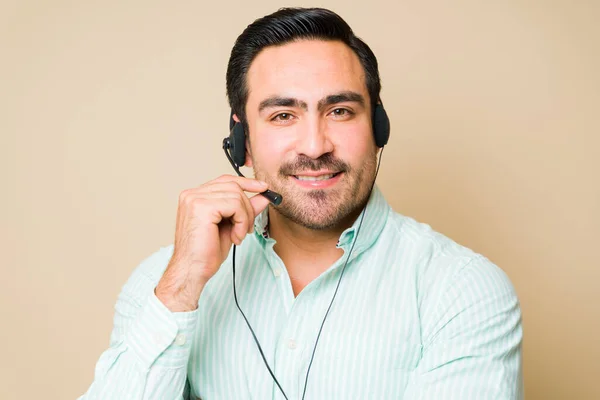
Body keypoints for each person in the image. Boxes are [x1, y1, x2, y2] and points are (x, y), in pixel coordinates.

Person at [79, 7, 523, 400]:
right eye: (283, 115)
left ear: (378, 127)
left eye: (340, 111)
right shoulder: (162, 285)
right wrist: (181, 289)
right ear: (242, 143)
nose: (315, 145)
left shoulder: (464, 291)